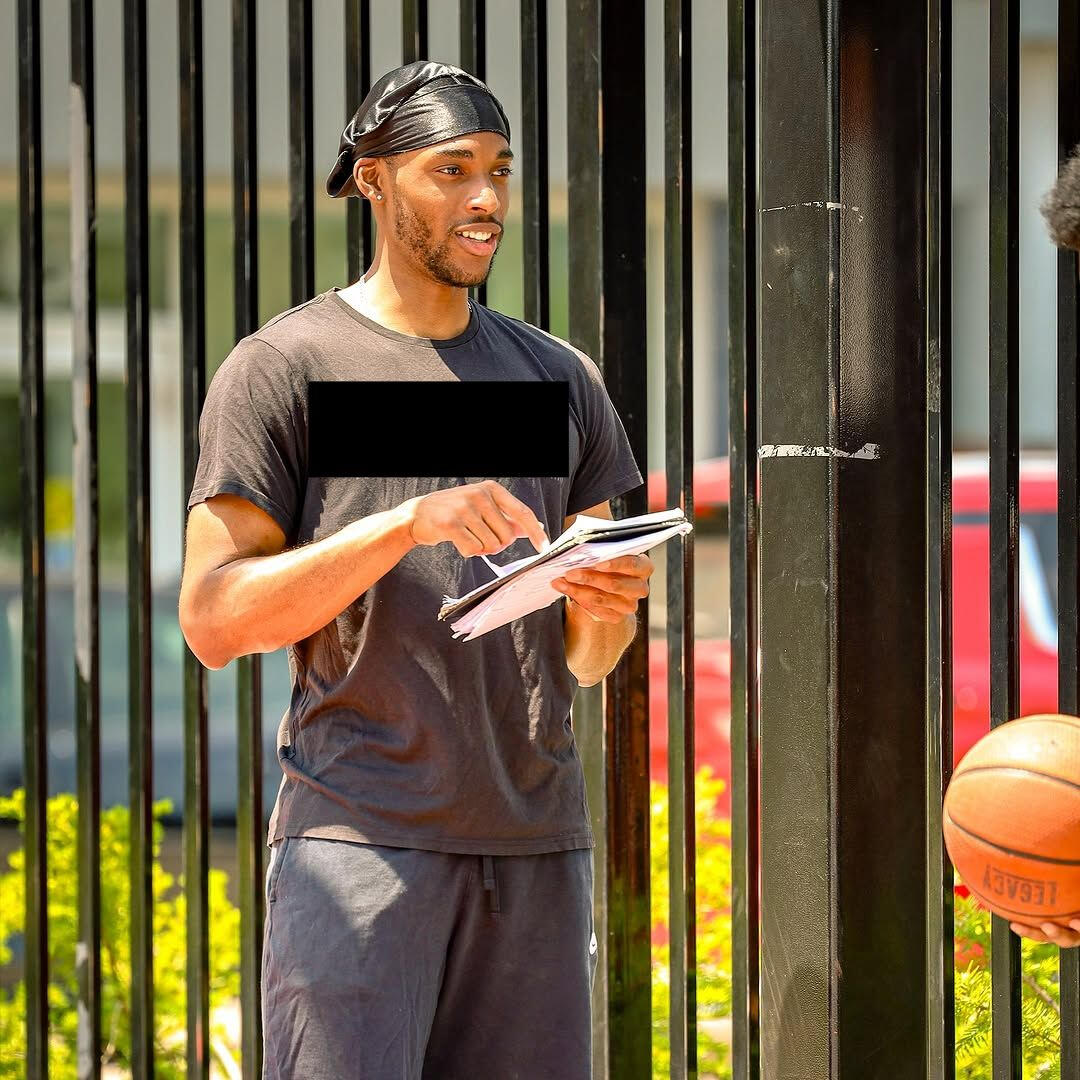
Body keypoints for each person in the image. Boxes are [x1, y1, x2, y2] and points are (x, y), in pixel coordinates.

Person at [178, 61, 651, 1078]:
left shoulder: (556, 377)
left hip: (533, 846)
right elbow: (215, 621)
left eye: (498, 170)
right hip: (357, 846)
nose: (485, 199)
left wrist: (609, 607)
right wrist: (400, 528)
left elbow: (584, 657)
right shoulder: (287, 366)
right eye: (451, 171)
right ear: (375, 182)